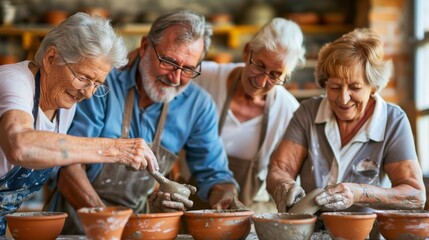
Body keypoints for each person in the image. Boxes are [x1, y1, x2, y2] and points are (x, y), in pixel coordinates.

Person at [47, 9, 243, 235]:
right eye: (168, 62)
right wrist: (108, 221)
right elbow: (67, 162)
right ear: (145, 47)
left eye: (188, 69)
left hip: (138, 225)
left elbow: (215, 175)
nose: (176, 78)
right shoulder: (101, 83)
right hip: (75, 221)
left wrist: (226, 196)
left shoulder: (198, 106)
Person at [0, 12, 158, 236]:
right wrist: (116, 148)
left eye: (97, 84)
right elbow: (21, 146)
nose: (88, 93)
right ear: (51, 58)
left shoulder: (65, 106)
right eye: (83, 78)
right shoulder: (14, 81)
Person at [267, 28, 426, 217]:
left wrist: (360, 193)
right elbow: (280, 169)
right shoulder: (308, 113)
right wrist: (284, 185)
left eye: (354, 87)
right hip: (310, 230)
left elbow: (415, 195)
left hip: (366, 233)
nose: (343, 99)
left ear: (373, 87)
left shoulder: (392, 120)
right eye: (334, 86)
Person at [192, 18, 305, 213]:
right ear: (247, 52)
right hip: (195, 203)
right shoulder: (204, 78)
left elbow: (288, 173)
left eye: (275, 75)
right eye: (259, 66)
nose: (261, 82)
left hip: (251, 208)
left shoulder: (289, 110)